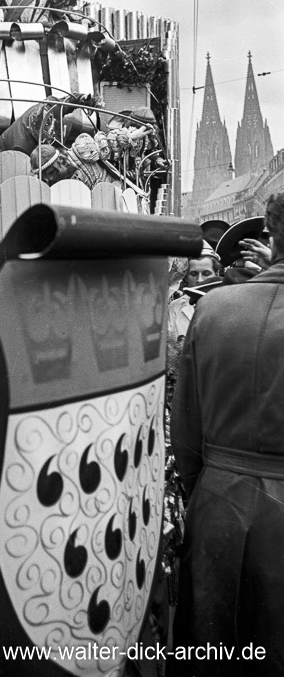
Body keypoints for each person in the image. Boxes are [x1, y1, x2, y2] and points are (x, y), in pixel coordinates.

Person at [170, 193, 284, 675]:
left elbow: (186, 430)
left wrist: (207, 492)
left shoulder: (213, 307)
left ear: (273, 237)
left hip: (218, 501)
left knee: (211, 651)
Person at [0, 93, 95, 154]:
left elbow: (66, 101)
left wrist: (82, 99)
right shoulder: (21, 145)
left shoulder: (51, 107)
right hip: (1, 154)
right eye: (46, 137)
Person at [167, 248, 221, 339]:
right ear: (186, 277)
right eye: (194, 274)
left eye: (206, 273)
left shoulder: (229, 305)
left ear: (217, 274)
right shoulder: (175, 307)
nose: (199, 280)